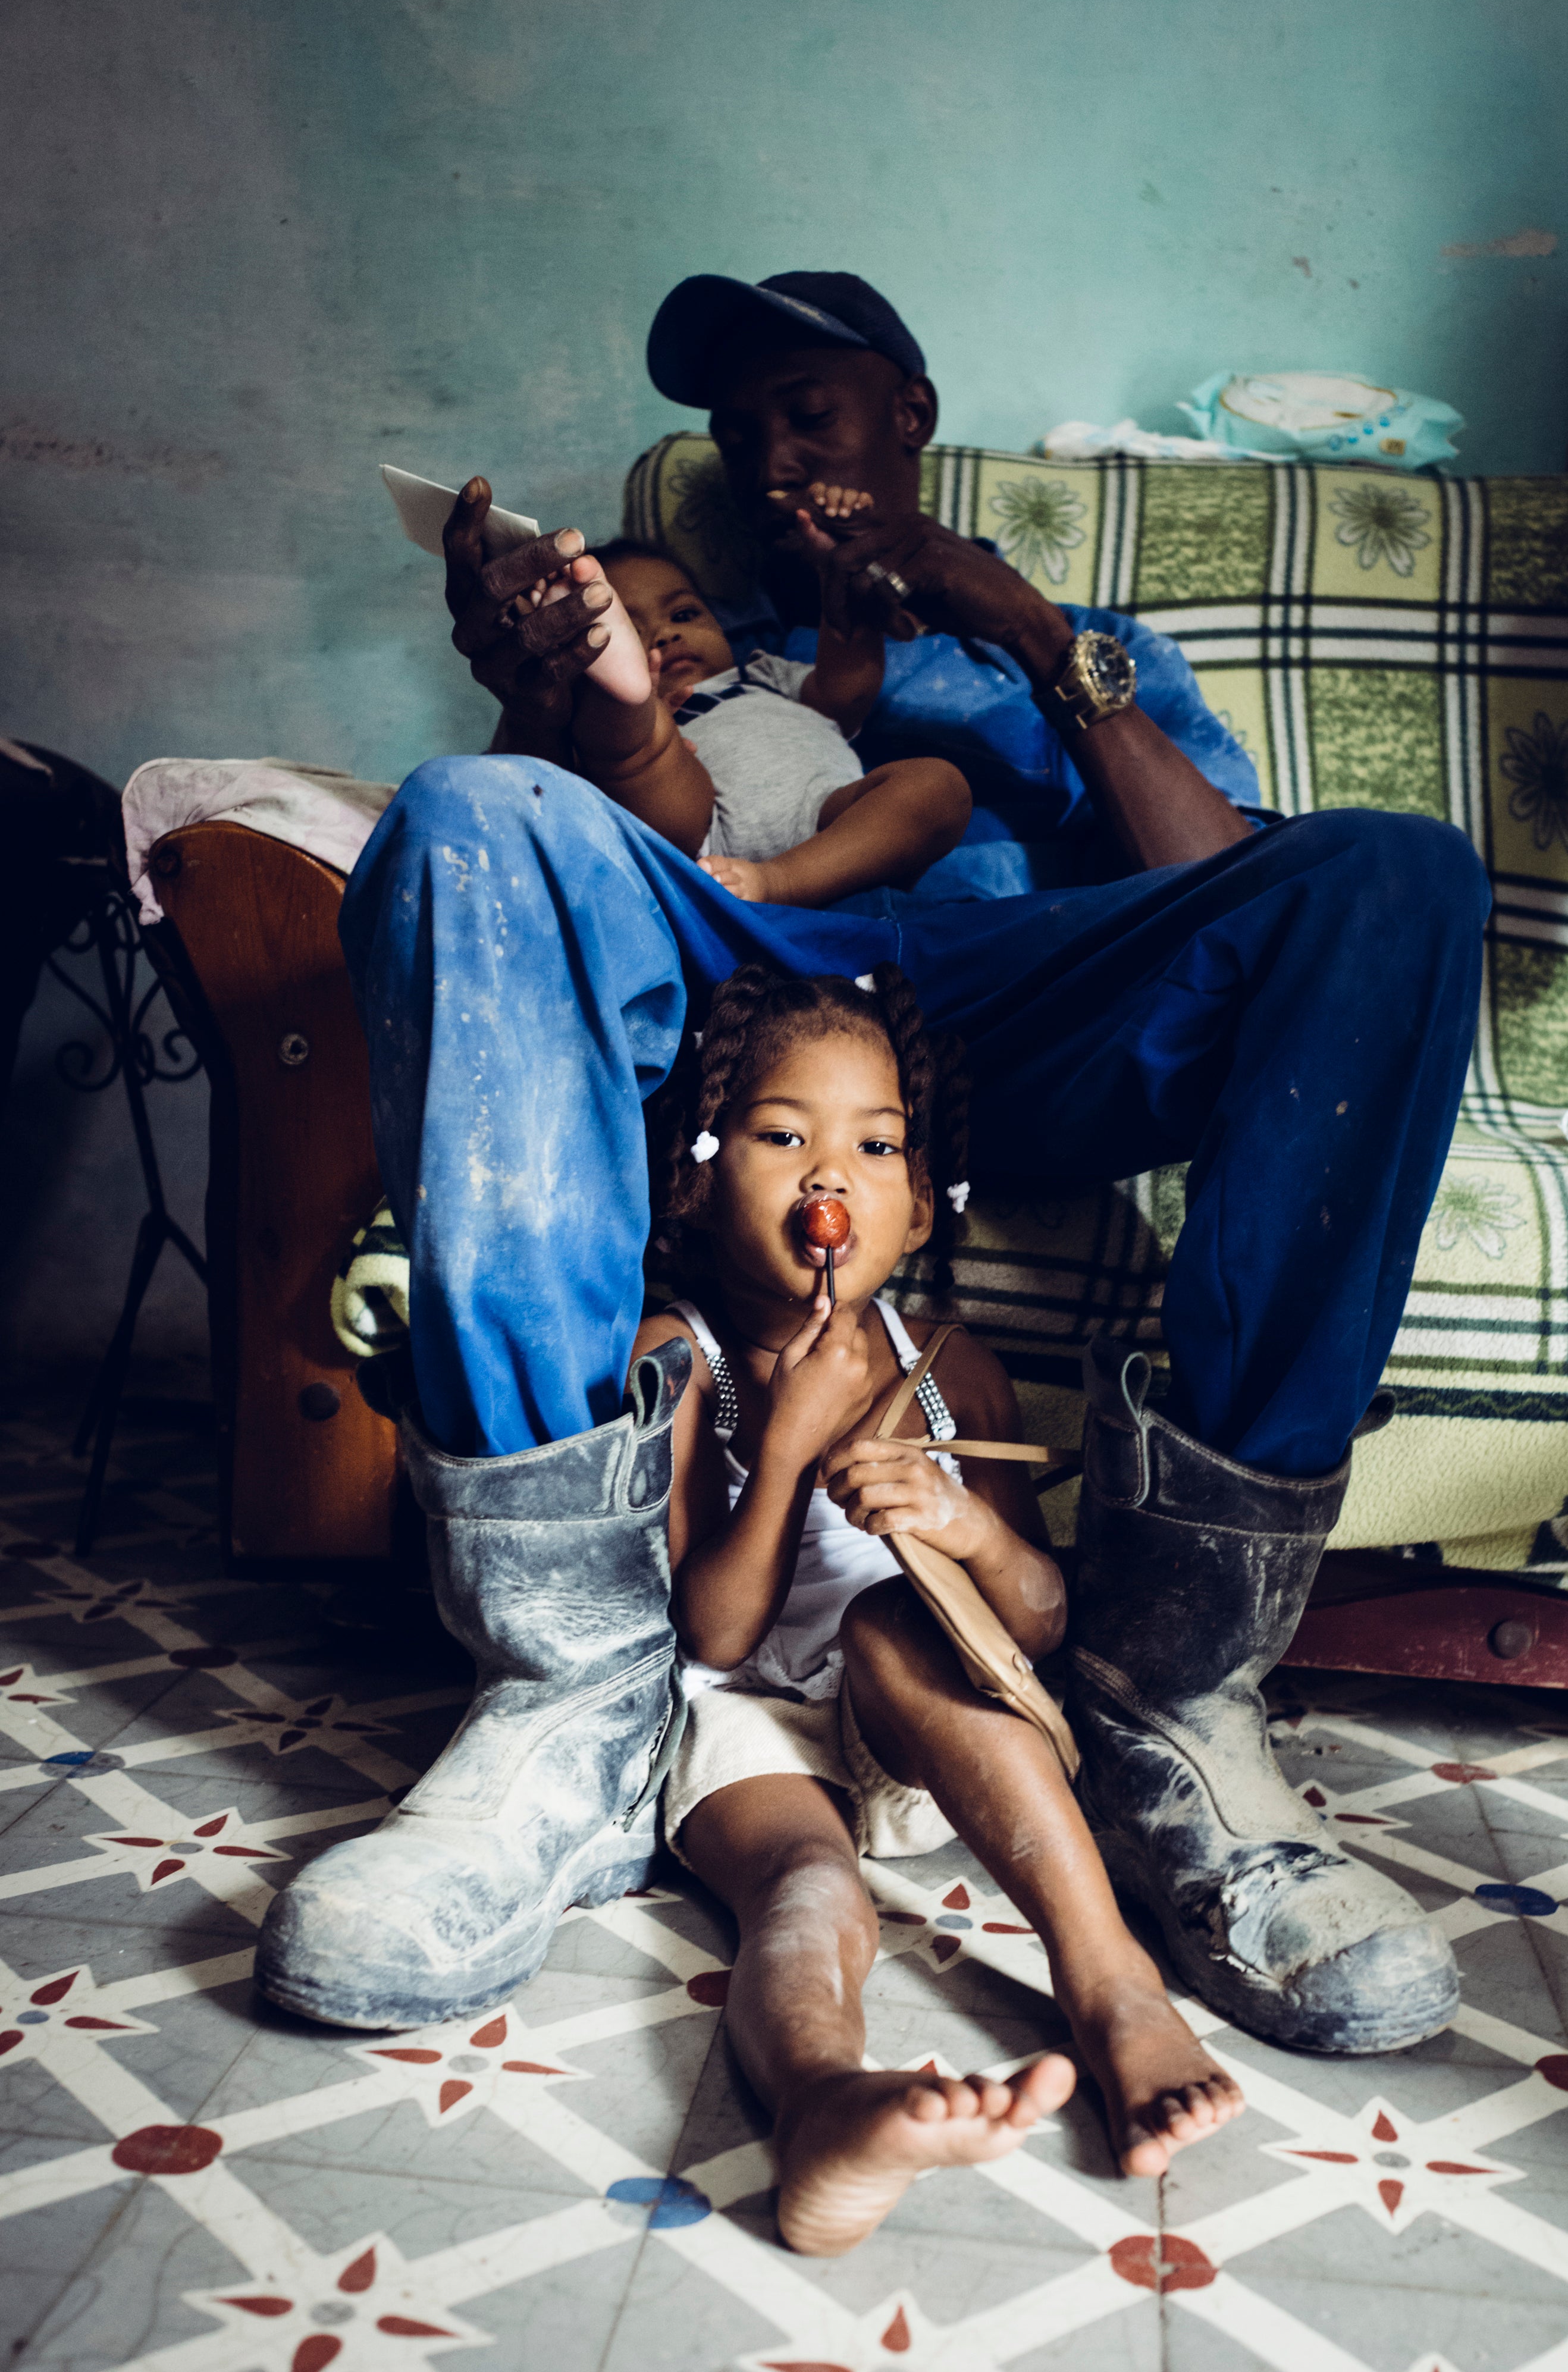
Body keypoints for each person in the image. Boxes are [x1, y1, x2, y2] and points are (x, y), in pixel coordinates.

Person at [258, 271, 1488, 2068]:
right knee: (468, 811)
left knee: (1389, 877)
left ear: (904, 412)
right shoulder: (718, 648)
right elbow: (628, 859)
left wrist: (1021, 627)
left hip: (1024, 1007)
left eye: (803, 409)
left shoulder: (1070, 643)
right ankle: (569, 1695)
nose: (766, 454)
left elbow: (1215, 871)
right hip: (748, 1007)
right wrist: (582, 698)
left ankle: (1175, 1693)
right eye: (737, 427)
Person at [638, 959, 1241, 2252]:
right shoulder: (676, 1354)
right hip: (746, 1723)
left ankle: (1107, 1979)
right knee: (805, 1892)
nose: (827, 1176)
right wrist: (789, 1447)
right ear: (694, 1173)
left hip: (926, 1723)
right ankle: (821, 2102)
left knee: (888, 1622)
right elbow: (714, 1632)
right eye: (781, 1133)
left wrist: (963, 1520)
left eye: (875, 1143)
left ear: (917, 1205)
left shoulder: (949, 1365)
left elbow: (1034, 1619)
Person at [562, 515, 970, 906]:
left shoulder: (763, 674)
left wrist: (842, 582)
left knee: (939, 785)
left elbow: (846, 695)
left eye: (684, 614)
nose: (666, 634)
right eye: (631, 633)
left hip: (837, 821)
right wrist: (638, 714)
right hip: (712, 848)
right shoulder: (604, 728)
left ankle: (783, 882)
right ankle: (638, 719)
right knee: (642, 752)